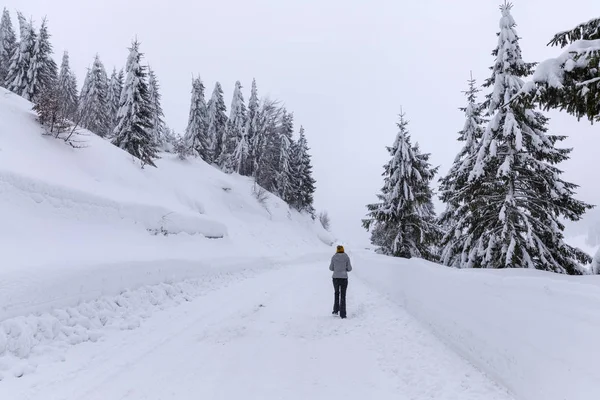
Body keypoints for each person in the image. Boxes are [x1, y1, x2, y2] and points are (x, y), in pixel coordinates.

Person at [329, 245, 352, 319]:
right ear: (343, 249)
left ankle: (335, 310)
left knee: (336, 293)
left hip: (335, 278)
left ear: (337, 250)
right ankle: (343, 314)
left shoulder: (334, 257)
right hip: (344, 278)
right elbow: (349, 268)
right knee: (343, 295)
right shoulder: (346, 257)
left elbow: (331, 268)